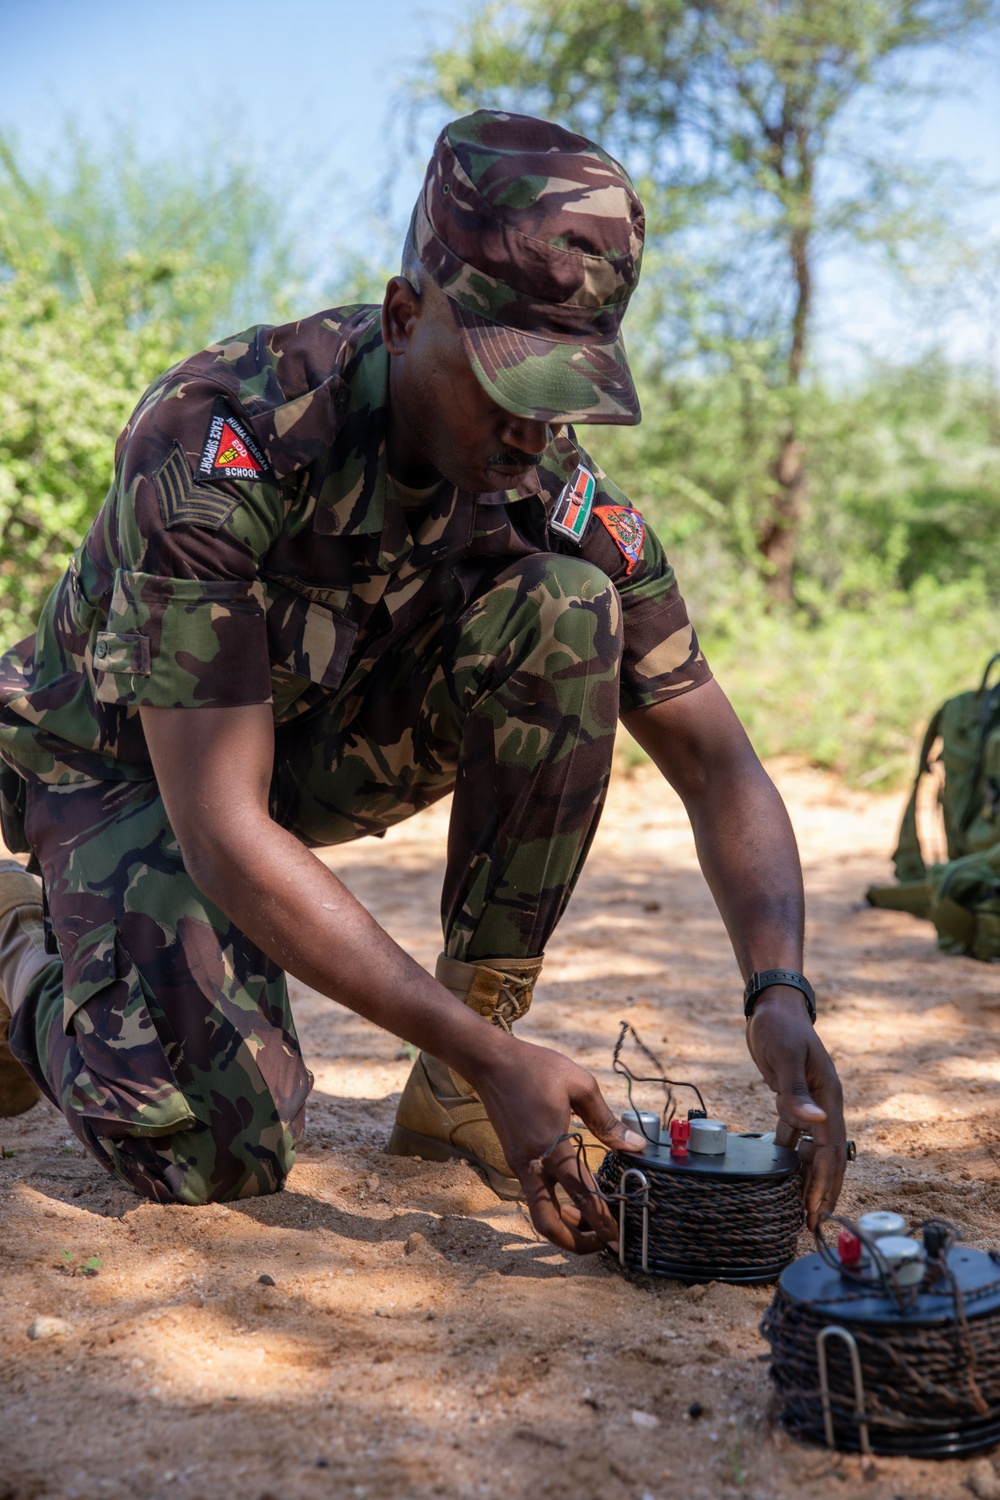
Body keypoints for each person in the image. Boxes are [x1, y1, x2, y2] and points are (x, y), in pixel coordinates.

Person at [0, 111, 845, 1254]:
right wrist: (498, 1059)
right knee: (208, 1144)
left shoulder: (548, 486)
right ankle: (23, 946)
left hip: (288, 753)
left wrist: (778, 994)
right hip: (113, 768)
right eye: (506, 377)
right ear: (406, 317)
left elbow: (717, 763)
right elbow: (219, 831)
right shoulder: (224, 436)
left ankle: (454, 1093)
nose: (532, 426)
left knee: (565, 605)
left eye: (568, 385)